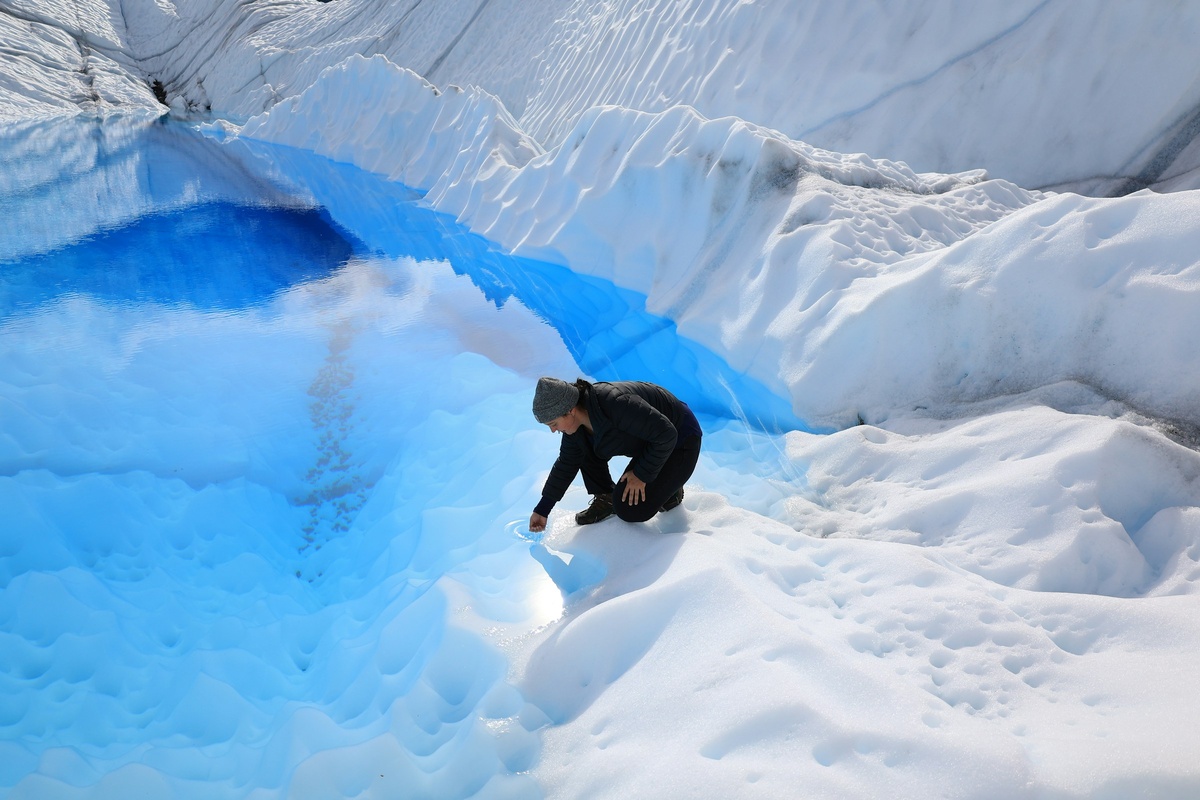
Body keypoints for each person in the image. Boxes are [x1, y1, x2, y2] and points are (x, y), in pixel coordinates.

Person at [528, 376, 702, 533]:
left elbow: (666, 434)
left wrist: (641, 474)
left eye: (553, 423)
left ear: (570, 410)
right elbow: (567, 463)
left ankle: (671, 491)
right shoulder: (576, 426)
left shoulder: (615, 402)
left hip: (681, 439)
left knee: (631, 509)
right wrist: (543, 509)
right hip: (652, 441)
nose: (553, 430)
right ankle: (606, 497)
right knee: (582, 448)